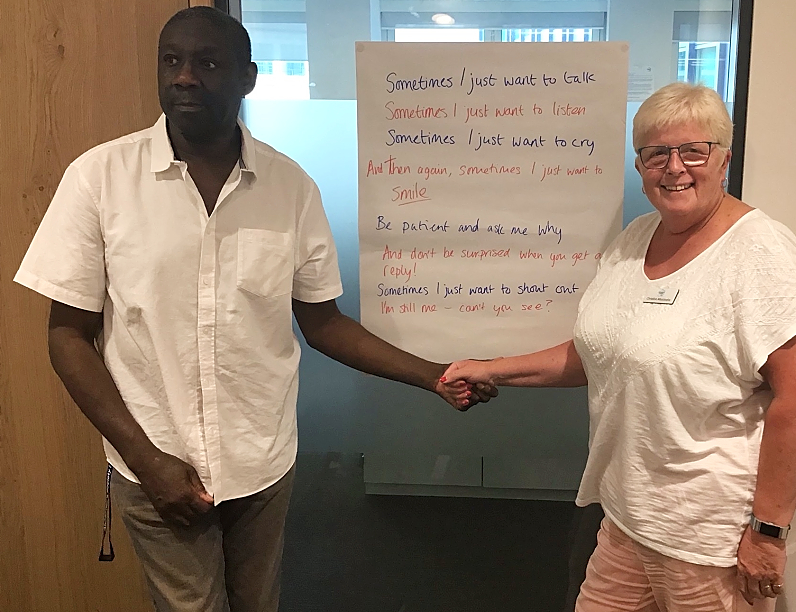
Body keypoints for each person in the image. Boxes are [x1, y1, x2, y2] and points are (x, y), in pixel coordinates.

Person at [14, 7, 494, 612]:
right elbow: (67, 337)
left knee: (258, 602)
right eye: (172, 61)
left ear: (249, 77)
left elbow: (323, 322)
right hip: (157, 461)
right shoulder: (99, 178)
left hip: (262, 460)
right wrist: (145, 459)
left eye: (207, 63)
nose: (185, 77)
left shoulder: (291, 187)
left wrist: (432, 376)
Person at [442, 82, 796, 612]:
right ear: (641, 164)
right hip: (628, 515)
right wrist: (493, 369)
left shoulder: (760, 250)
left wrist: (768, 532)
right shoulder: (635, 237)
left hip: (708, 538)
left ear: (724, 159)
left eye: (694, 150)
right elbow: (599, 353)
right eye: (656, 154)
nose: (675, 167)